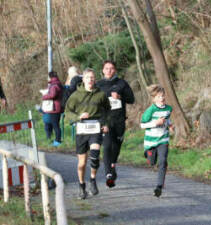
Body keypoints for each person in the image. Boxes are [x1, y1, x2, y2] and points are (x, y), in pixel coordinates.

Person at [65, 68, 110, 199]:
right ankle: (81, 185)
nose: (90, 80)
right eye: (88, 77)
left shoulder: (100, 94)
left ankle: (92, 180)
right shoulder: (75, 96)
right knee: (82, 163)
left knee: (95, 155)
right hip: (82, 130)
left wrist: (105, 124)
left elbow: (107, 110)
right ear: (83, 79)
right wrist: (78, 117)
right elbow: (67, 112)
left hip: (95, 128)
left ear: (94, 79)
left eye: (92, 77)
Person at [96, 60, 135, 188]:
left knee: (116, 147)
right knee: (107, 146)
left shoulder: (121, 83)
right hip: (105, 120)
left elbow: (131, 99)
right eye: (106, 68)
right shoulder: (99, 85)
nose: (109, 71)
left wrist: (120, 97)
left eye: (112, 68)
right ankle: (108, 174)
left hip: (119, 121)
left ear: (115, 70)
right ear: (103, 70)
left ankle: (113, 164)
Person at [140, 84, 174, 197]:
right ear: (154, 98)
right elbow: (142, 125)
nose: (162, 98)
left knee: (163, 161)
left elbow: (167, 119)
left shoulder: (168, 109)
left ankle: (159, 186)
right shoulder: (151, 110)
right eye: (159, 96)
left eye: (163, 96)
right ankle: (148, 154)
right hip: (151, 141)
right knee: (152, 162)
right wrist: (155, 123)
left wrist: (170, 125)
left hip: (163, 139)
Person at [42, 71, 63, 147]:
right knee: (55, 125)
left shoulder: (54, 85)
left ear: (50, 77)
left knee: (55, 125)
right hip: (56, 107)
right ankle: (57, 140)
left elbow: (52, 95)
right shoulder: (57, 83)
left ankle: (58, 141)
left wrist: (44, 97)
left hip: (55, 108)